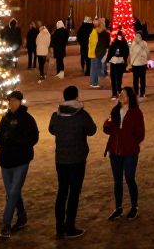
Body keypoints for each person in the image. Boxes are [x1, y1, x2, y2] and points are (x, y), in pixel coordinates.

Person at [48, 85, 97, 239]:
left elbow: (52, 129)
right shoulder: (81, 115)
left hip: (61, 159)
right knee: (74, 193)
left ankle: (59, 227)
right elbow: (92, 130)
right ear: (76, 96)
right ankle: (70, 227)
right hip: (76, 159)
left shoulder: (56, 115)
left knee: (62, 192)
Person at [0, 90, 39, 238]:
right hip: (6, 162)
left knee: (12, 193)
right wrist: (4, 139)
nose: (11, 104)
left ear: (20, 102)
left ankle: (6, 224)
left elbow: (33, 139)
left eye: (14, 101)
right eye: (9, 101)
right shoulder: (5, 119)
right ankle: (22, 217)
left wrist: (15, 139)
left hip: (21, 161)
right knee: (13, 193)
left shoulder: (27, 119)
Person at [102, 86, 145, 221]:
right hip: (115, 151)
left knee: (130, 178)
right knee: (117, 180)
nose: (121, 96)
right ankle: (118, 208)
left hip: (129, 152)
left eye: (124, 94)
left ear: (130, 98)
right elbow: (107, 130)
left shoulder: (136, 113)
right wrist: (107, 124)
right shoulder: (115, 111)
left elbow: (140, 134)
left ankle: (134, 206)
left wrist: (130, 143)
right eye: (120, 94)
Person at [106, 30, 130, 99]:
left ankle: (119, 91)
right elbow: (110, 52)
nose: (119, 37)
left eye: (120, 36)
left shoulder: (124, 43)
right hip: (113, 63)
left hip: (120, 63)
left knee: (119, 78)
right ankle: (114, 93)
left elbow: (126, 53)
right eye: (118, 36)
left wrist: (124, 61)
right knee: (113, 78)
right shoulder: (114, 43)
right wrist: (108, 60)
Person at [88, 19, 110, 89]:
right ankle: (95, 83)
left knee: (93, 68)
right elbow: (106, 44)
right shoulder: (104, 33)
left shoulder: (94, 31)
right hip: (99, 52)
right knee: (97, 68)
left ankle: (92, 82)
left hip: (93, 52)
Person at [129, 31, 150, 99]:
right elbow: (147, 53)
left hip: (135, 64)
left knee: (135, 79)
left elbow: (130, 54)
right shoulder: (144, 43)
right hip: (142, 63)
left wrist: (131, 62)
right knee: (142, 79)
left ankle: (136, 92)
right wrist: (147, 59)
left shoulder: (133, 43)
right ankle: (142, 93)